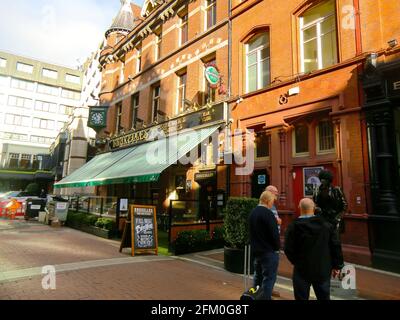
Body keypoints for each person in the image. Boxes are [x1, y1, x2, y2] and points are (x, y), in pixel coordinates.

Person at [284, 198, 344, 300]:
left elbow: (288, 249)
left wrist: (297, 262)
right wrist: (337, 265)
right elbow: (335, 245)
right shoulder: (326, 225)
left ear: (299, 208)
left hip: (301, 270)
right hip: (322, 269)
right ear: (314, 208)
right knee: (324, 297)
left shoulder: (293, 227)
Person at [249, 191, 281, 300]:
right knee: (268, 279)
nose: (272, 204)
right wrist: (277, 248)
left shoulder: (253, 212)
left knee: (257, 278)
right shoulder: (268, 213)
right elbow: (274, 234)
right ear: (267, 200)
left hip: (257, 251)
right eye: (272, 201)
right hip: (269, 252)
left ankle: (254, 297)